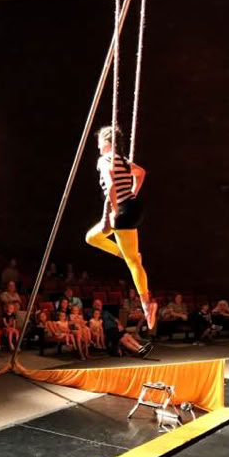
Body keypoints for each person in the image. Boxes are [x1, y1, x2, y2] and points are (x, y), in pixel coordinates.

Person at [85, 126, 157, 330]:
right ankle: (126, 256)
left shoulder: (105, 159)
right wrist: (132, 194)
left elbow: (110, 185)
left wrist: (116, 210)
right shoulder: (122, 160)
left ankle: (146, 303)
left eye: (99, 142)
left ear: (107, 142)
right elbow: (141, 173)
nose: (98, 146)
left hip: (122, 211)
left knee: (134, 262)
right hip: (134, 207)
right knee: (91, 238)